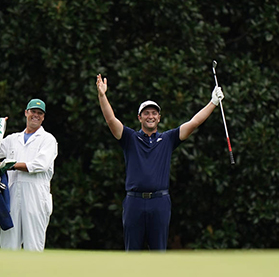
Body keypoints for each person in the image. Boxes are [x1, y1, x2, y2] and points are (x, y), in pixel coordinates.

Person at [95, 74, 224, 251]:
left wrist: (213, 103)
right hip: (134, 202)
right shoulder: (130, 138)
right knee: (132, 254)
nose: (150, 116)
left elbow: (193, 123)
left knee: (159, 254)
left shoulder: (168, 139)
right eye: (146, 113)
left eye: (154, 113)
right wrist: (102, 95)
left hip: (160, 202)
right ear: (139, 118)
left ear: (159, 118)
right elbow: (111, 120)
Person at [0, 98, 58, 251]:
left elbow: (40, 164)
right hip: (12, 196)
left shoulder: (48, 140)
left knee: (33, 246)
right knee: (8, 246)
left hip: (36, 197)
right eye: (33, 111)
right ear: (26, 113)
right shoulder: (13, 139)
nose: (36, 115)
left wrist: (11, 165)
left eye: (40, 113)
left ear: (43, 117)